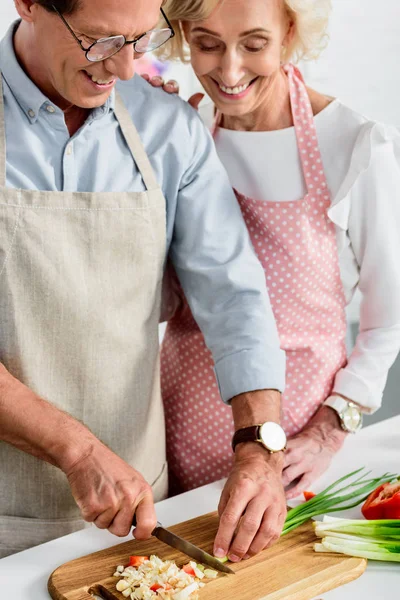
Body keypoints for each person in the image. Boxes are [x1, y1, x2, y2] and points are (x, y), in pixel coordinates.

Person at [0, 0, 288, 561]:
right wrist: (79, 452)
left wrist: (259, 446)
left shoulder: (168, 128)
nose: (127, 70)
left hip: (136, 513)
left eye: (142, 40)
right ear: (29, 4)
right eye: (100, 41)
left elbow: (234, 296)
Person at [154, 0, 400, 499]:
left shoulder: (353, 144)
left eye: (254, 44)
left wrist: (328, 432)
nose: (229, 70)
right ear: (183, 35)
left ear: (289, 31)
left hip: (293, 448)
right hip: (176, 425)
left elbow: (387, 320)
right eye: (207, 44)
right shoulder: (184, 128)